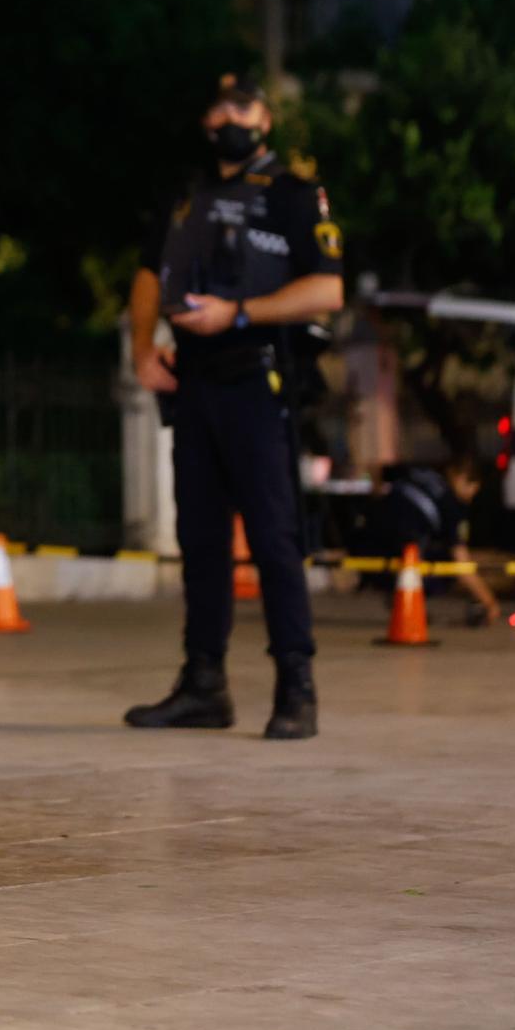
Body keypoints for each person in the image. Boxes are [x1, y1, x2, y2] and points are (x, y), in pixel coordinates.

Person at [125, 75, 345, 740]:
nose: (230, 117)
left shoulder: (294, 196)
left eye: (243, 107)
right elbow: (145, 274)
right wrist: (142, 349)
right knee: (200, 540)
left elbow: (327, 291)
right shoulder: (186, 198)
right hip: (193, 384)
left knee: (275, 538)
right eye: (219, 106)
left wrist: (239, 312)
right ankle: (203, 684)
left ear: (266, 121)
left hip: (260, 382)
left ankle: (296, 687)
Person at [358, 456, 503, 626]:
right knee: (446, 563)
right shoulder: (450, 505)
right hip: (394, 551)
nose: (470, 497)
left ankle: (400, 597)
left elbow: (377, 471)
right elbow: (462, 564)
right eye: (472, 489)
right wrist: (489, 601)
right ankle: (407, 603)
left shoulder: (423, 474)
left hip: (365, 540)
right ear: (461, 478)